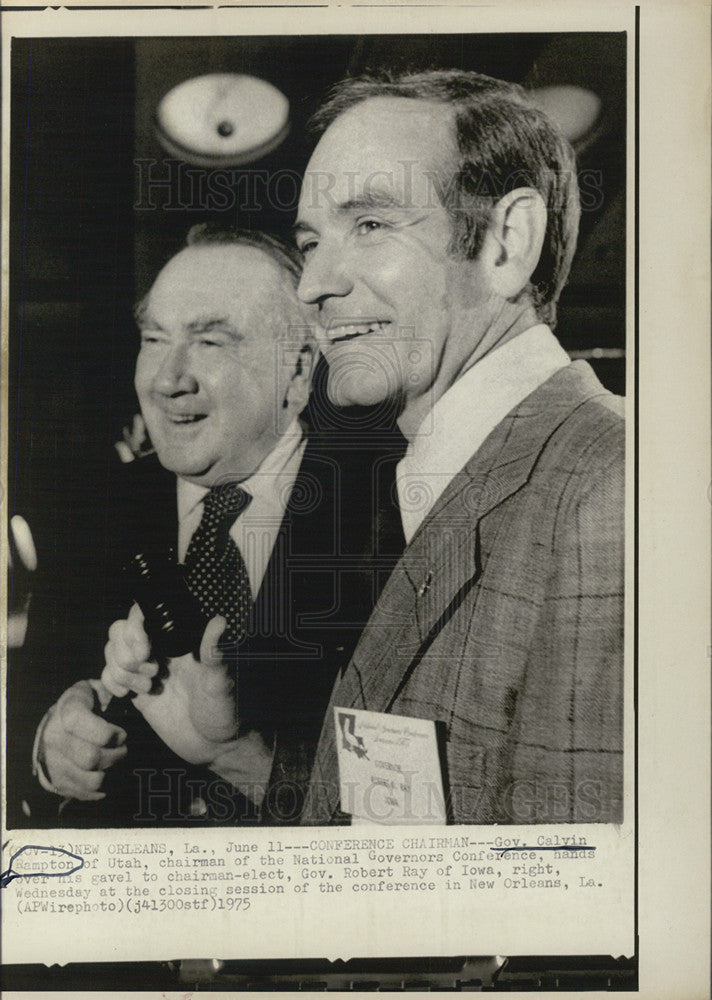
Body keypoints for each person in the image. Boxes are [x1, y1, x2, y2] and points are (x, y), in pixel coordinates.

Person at [292, 69, 624, 825]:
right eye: (309, 241)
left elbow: (574, 912)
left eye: (370, 225)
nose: (312, 283)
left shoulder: (609, 490)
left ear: (508, 244)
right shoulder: (445, 480)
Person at [29, 226, 403, 826]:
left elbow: (417, 816)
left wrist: (244, 760)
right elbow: (23, 698)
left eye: (210, 342)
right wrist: (51, 746)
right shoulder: (87, 510)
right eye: (155, 338)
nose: (167, 378)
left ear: (300, 369)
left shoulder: (396, 522)